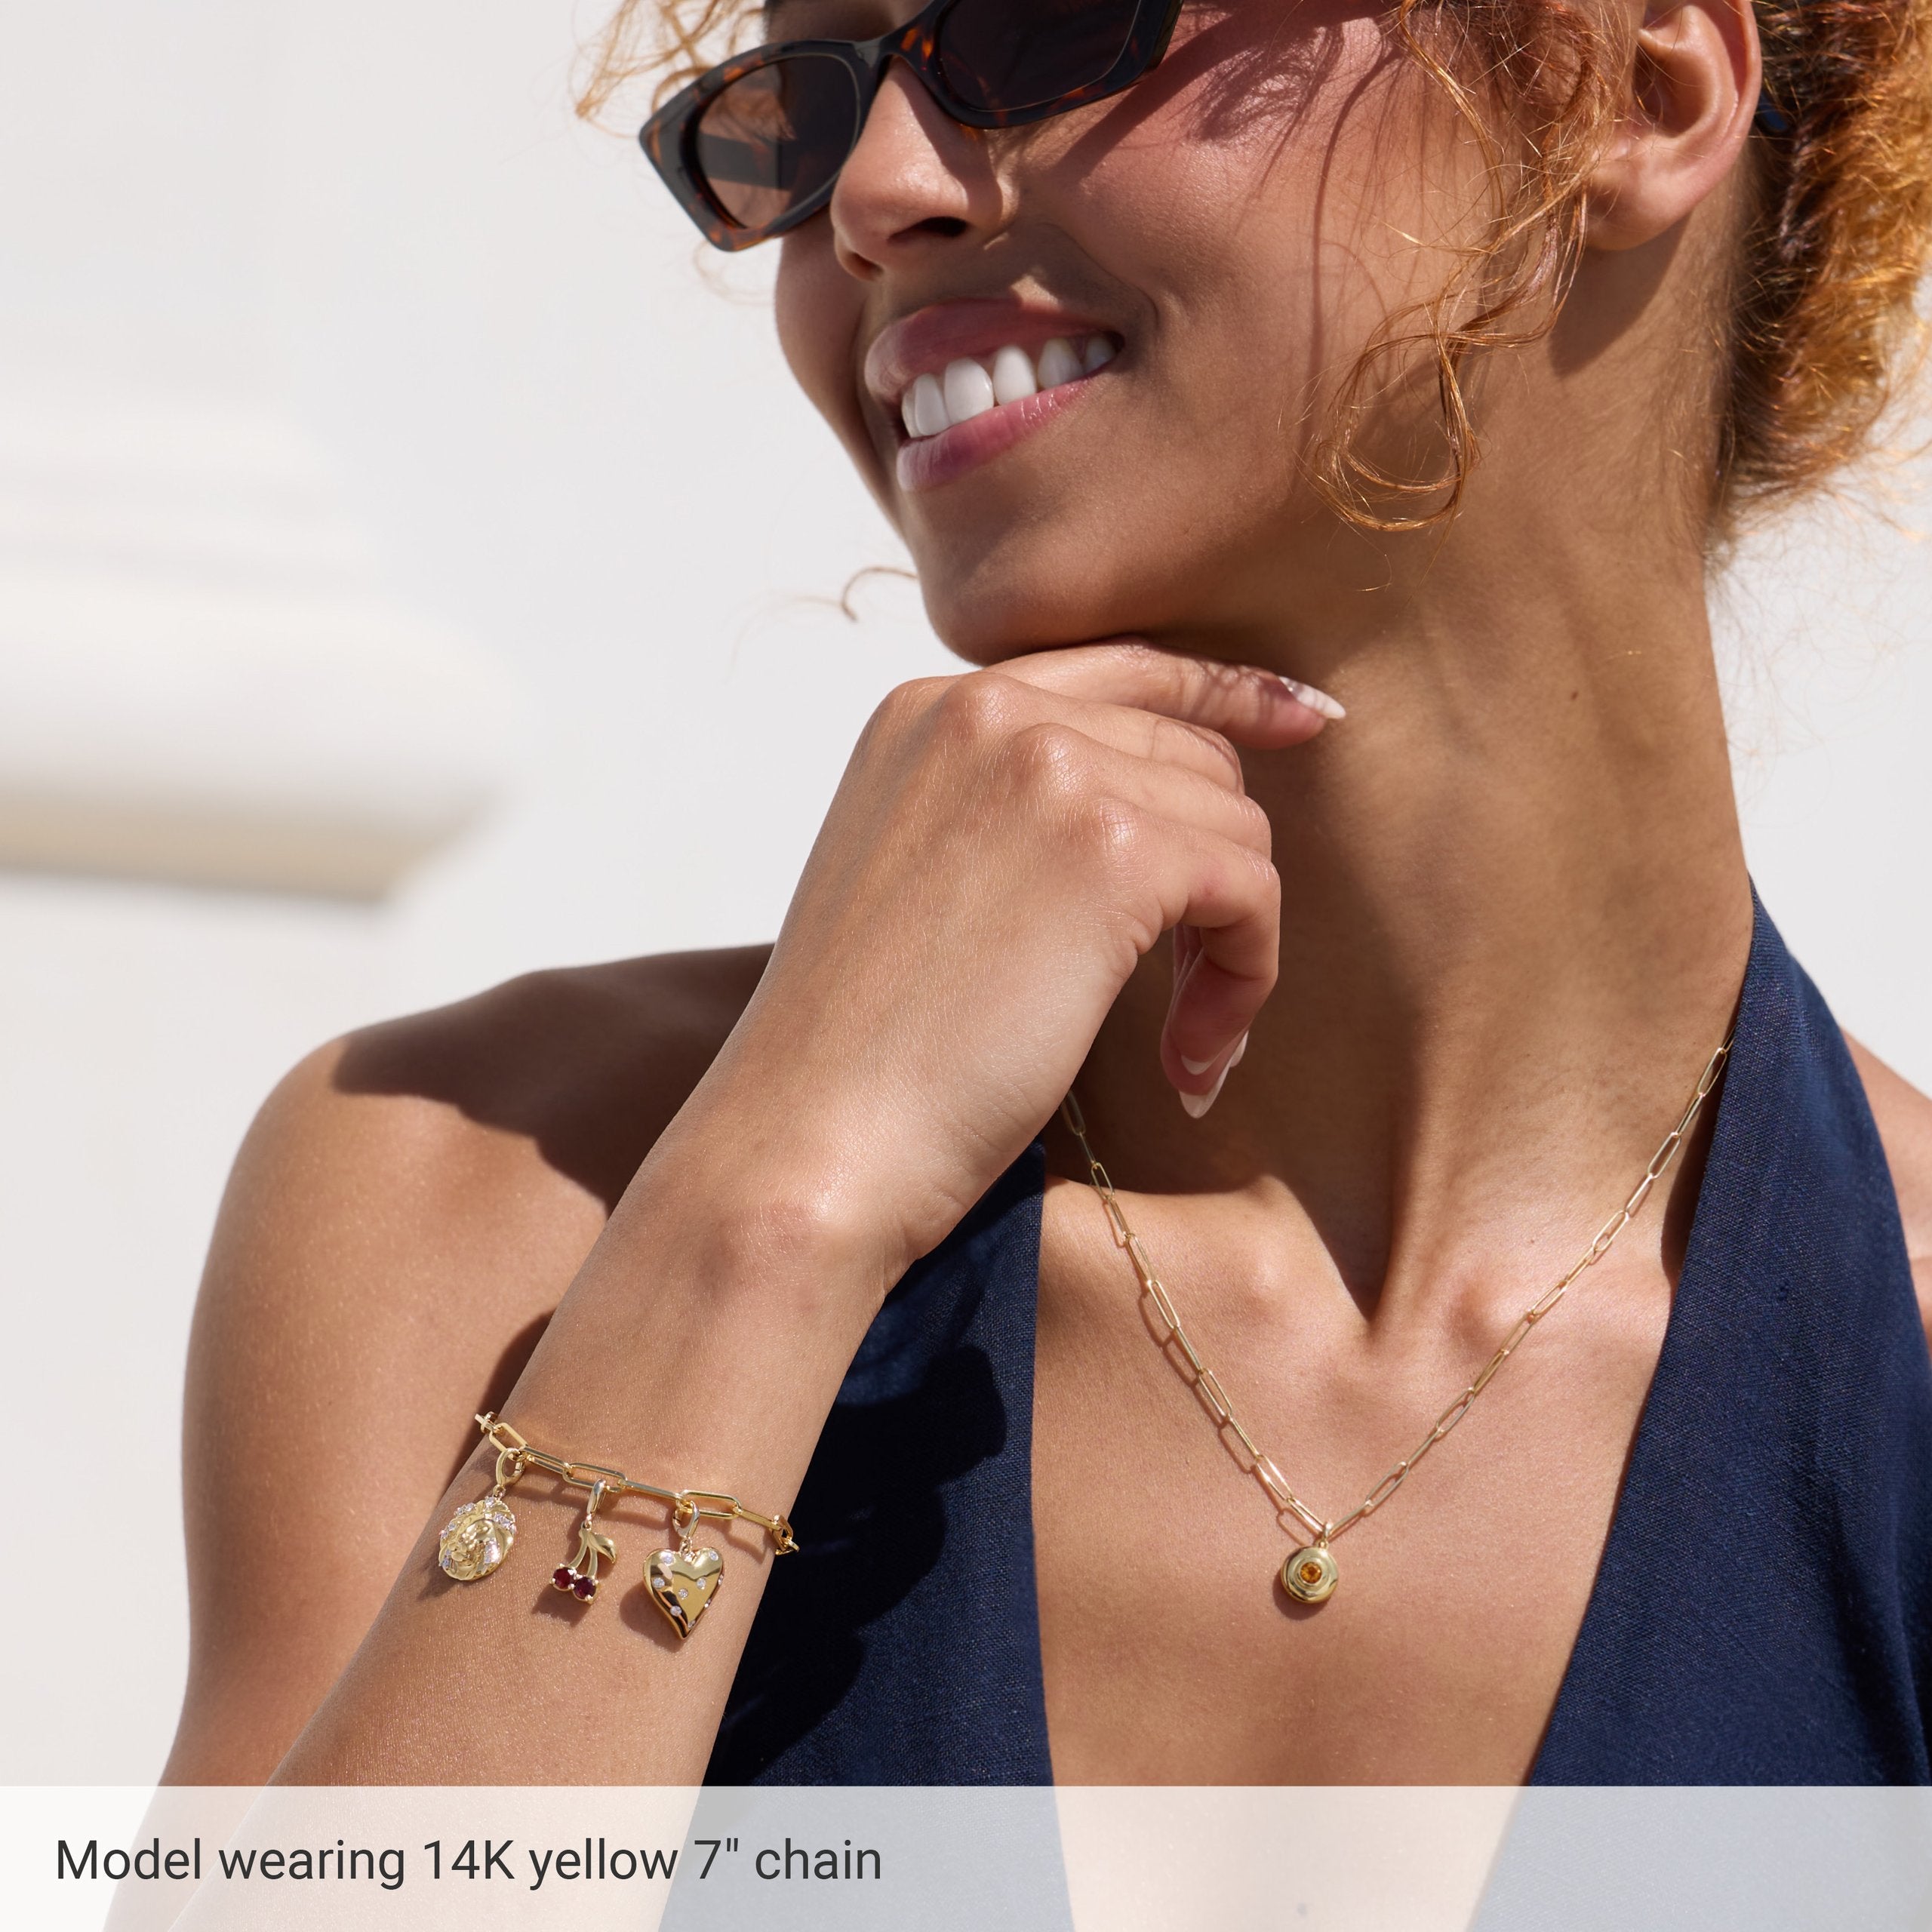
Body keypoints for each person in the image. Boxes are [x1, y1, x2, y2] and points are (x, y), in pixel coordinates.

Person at [163, 0, 1932, 1788]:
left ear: (1630, 86)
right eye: (800, 110)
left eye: (1045, 21)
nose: (873, 191)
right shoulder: (502, 1214)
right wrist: (771, 1215)